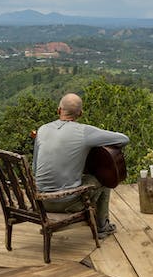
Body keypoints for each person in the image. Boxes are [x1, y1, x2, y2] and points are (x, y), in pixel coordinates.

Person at [32, 92, 128, 237]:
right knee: (104, 178)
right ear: (81, 113)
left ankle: (99, 223)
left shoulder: (42, 129)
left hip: (39, 201)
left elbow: (34, 168)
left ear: (58, 110)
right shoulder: (84, 132)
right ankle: (102, 226)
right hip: (66, 203)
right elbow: (123, 139)